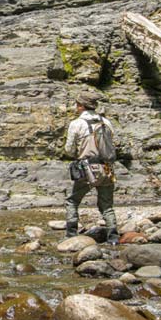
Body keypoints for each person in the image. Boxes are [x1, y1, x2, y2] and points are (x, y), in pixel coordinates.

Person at [63, 92, 118, 243]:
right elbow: (113, 143)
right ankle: (113, 237)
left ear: (81, 106)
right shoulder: (106, 122)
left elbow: (69, 150)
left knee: (72, 201)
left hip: (87, 169)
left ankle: (71, 234)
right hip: (107, 168)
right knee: (106, 205)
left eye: (77, 104)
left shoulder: (76, 124)